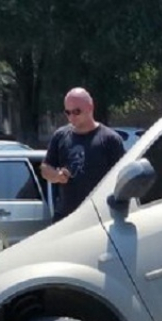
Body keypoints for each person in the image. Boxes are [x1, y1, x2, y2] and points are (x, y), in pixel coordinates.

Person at [41, 87, 125, 221]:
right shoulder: (60, 136)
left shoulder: (110, 139)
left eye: (76, 111)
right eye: (68, 112)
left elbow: (122, 178)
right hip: (65, 216)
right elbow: (45, 168)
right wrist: (57, 176)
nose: (71, 117)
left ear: (90, 107)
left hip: (99, 217)